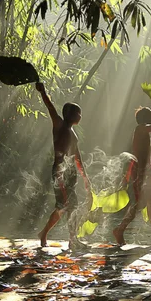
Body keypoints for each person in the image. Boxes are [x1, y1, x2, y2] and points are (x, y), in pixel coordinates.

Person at [35, 82, 92, 250]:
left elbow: (77, 156)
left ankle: (46, 233)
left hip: (70, 173)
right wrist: (43, 92)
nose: (81, 116)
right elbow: (50, 108)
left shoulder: (73, 132)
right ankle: (72, 240)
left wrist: (84, 176)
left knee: (65, 206)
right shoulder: (59, 125)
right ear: (71, 115)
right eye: (78, 113)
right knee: (67, 205)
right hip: (61, 171)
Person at [113, 107, 151, 246]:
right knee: (137, 205)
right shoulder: (140, 129)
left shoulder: (143, 131)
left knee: (150, 205)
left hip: (147, 171)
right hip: (140, 172)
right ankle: (119, 229)